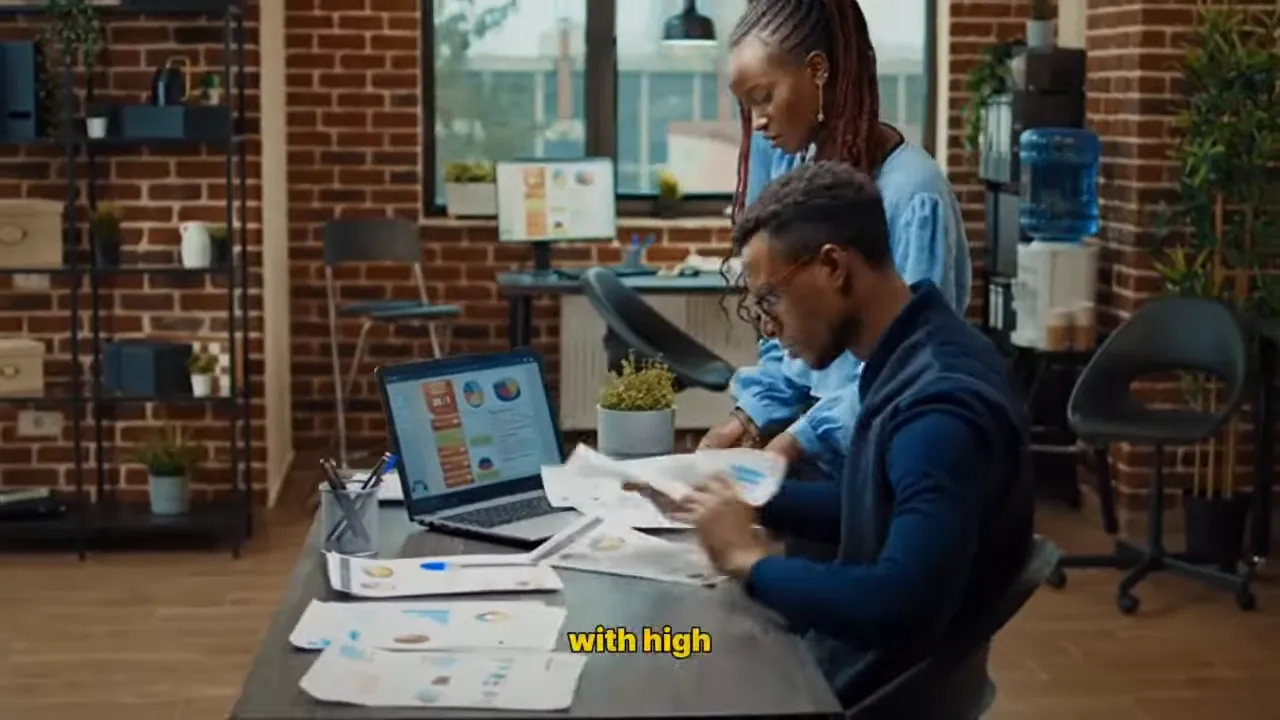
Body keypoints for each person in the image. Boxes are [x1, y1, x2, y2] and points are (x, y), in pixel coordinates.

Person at [629, 162, 1033, 713]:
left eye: (770, 298)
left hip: (839, 688)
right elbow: (883, 508)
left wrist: (747, 559)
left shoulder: (938, 410)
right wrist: (748, 497)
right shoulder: (918, 355)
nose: (767, 326)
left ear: (833, 268)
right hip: (840, 661)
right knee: (642, 645)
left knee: (629, 653)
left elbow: (897, 604)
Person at [701, 0, 971, 481]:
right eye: (747, 107)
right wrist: (744, 421)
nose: (757, 122)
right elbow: (789, 338)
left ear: (817, 71)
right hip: (816, 453)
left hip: (881, 463)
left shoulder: (913, 195)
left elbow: (909, 368)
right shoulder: (799, 171)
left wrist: (796, 441)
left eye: (764, 97)